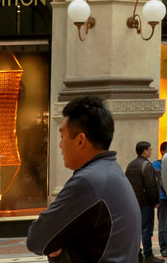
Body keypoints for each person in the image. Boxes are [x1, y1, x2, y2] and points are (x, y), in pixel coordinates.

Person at [29, 95, 143, 263]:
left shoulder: (88, 182)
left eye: (62, 137)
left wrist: (57, 246)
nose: (60, 145)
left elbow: (37, 239)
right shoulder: (112, 171)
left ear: (81, 140)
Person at [128, 144, 164, 263]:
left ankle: (137, 254)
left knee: (136, 229)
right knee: (147, 230)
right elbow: (150, 185)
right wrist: (155, 200)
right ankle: (148, 255)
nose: (151, 151)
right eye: (150, 149)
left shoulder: (131, 165)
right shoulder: (146, 165)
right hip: (145, 202)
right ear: (144, 151)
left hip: (133, 202)